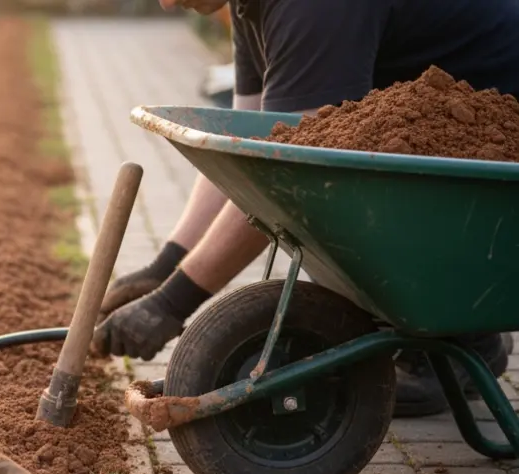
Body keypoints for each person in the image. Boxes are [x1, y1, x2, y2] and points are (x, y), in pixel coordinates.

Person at [92, 0, 519, 417]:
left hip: (494, 155)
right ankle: (462, 331)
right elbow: (244, 149)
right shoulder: (251, 6)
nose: (166, 6)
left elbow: (285, 178)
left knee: (333, 203)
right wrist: (166, 266)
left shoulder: (313, 9)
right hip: (453, 162)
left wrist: (172, 302)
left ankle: (442, 340)